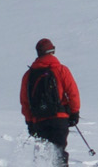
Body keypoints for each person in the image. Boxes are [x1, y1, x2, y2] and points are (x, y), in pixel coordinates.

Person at [20, 38, 81, 167]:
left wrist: (30, 121)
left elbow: (25, 101)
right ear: (52, 51)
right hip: (59, 119)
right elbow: (73, 93)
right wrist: (74, 113)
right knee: (59, 154)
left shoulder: (29, 75)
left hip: (39, 120)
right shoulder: (61, 70)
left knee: (43, 155)